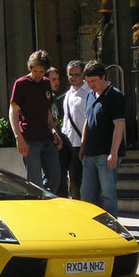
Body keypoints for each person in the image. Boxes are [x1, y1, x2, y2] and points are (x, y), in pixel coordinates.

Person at [9, 50, 62, 192]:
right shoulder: (21, 84)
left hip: (47, 138)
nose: (37, 74)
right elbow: (13, 110)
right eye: (35, 70)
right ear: (30, 68)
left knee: (55, 178)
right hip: (30, 140)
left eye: (41, 71)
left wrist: (53, 130)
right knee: (35, 182)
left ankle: (42, 198)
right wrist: (18, 137)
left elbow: (47, 110)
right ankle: (38, 201)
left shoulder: (46, 83)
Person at [80, 60, 126, 218]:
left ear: (103, 77)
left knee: (107, 194)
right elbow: (87, 121)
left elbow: (119, 125)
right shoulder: (90, 96)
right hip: (90, 153)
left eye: (93, 81)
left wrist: (113, 153)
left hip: (106, 154)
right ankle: (89, 227)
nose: (91, 84)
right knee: (86, 194)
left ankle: (112, 227)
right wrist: (83, 145)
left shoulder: (115, 95)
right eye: (88, 81)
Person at [62, 60, 89, 199]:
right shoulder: (68, 94)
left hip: (85, 144)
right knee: (74, 183)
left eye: (76, 74)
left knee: (88, 184)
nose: (73, 77)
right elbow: (66, 121)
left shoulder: (89, 93)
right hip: (70, 145)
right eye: (70, 75)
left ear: (83, 75)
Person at [46, 66, 71, 198]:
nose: (57, 82)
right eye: (53, 79)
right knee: (53, 177)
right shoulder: (45, 97)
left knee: (62, 176)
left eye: (57, 79)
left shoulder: (53, 96)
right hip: (50, 141)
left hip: (58, 139)